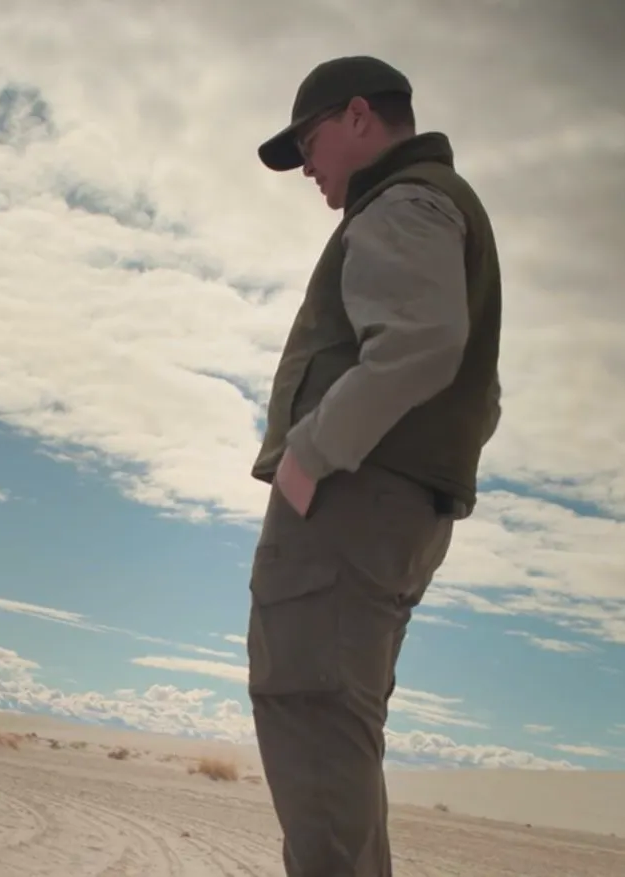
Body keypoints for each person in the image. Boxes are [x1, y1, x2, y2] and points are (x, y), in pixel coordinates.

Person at [244, 55, 502, 875]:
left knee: (311, 715)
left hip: (351, 502)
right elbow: (481, 395)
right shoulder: (437, 205)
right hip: (396, 509)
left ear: (359, 116)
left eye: (310, 143)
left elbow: (425, 343)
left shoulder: (403, 199)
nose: (309, 168)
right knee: (338, 731)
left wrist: (309, 457)